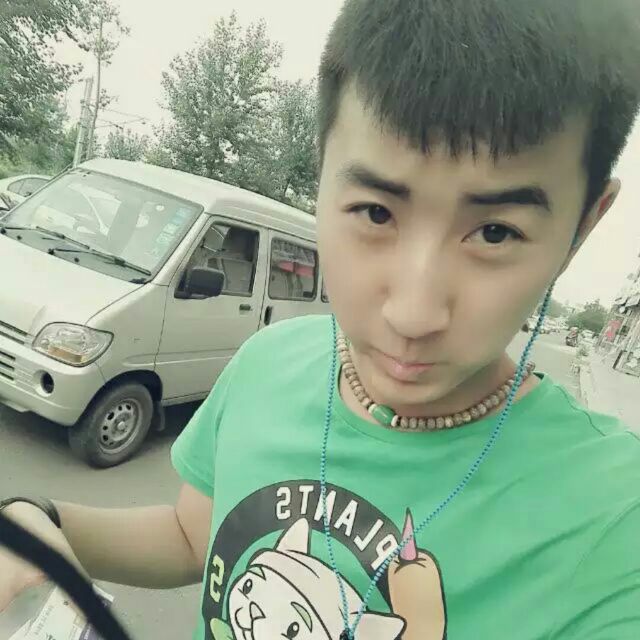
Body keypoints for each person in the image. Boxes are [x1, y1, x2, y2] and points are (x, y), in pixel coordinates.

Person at [2, 1, 640, 638]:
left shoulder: (612, 523)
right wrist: (39, 522)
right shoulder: (269, 360)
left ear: (581, 227)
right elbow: (191, 535)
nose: (413, 314)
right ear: (322, 172)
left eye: (496, 232)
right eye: (375, 213)